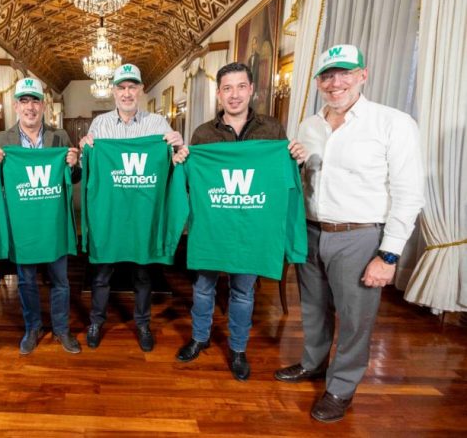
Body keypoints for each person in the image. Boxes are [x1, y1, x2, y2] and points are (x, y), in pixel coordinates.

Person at [274, 44, 425, 422]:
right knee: (313, 307)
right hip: (311, 230)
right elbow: (302, 180)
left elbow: (409, 194)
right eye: (327, 76)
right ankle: (313, 363)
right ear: (318, 82)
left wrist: (388, 254)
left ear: (363, 75)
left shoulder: (393, 123)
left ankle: (341, 386)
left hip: (360, 236)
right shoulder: (308, 126)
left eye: (344, 74)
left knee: (356, 317)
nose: (335, 83)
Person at [173, 62, 305, 381]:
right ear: (219, 94)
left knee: (243, 292)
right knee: (203, 288)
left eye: (241, 87)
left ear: (251, 90)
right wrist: (181, 162)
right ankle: (200, 338)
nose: (234, 95)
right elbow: (192, 183)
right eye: (227, 88)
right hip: (212, 227)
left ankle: (238, 348)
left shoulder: (272, 130)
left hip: (251, 228)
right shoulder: (203, 134)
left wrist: (296, 161)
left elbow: (281, 178)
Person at [79, 63, 184, 352]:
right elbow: (87, 168)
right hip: (111, 215)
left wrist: (178, 145)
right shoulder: (99, 125)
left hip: (143, 215)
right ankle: (96, 322)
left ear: (140, 90)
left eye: (132, 87)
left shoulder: (158, 124)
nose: (127, 93)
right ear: (114, 91)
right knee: (101, 273)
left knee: (144, 274)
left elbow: (177, 162)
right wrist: (85, 149)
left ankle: (142, 324)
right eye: (121, 87)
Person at [0, 77, 82, 355]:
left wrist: (74, 164)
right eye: (24, 101)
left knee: (60, 280)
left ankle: (61, 329)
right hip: (22, 223)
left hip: (53, 222)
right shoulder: (1, 139)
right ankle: (32, 327)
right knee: (26, 280)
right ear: (16, 106)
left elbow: (74, 177)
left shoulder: (59, 136)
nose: (30, 107)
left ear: (44, 106)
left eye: (35, 101)